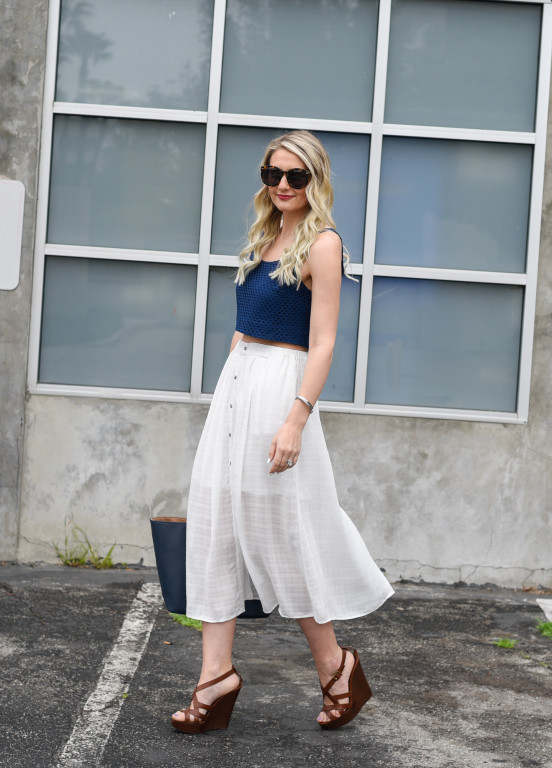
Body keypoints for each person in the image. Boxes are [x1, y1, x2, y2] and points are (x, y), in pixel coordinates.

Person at [171, 131, 394, 734]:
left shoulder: (324, 244)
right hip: (240, 385)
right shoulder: (263, 238)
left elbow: (322, 343)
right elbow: (245, 329)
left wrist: (295, 418)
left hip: (283, 388)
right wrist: (228, 393)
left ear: (316, 181)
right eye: (275, 175)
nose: (285, 186)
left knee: (280, 532)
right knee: (217, 519)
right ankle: (215, 676)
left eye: (297, 177)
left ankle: (337, 666)